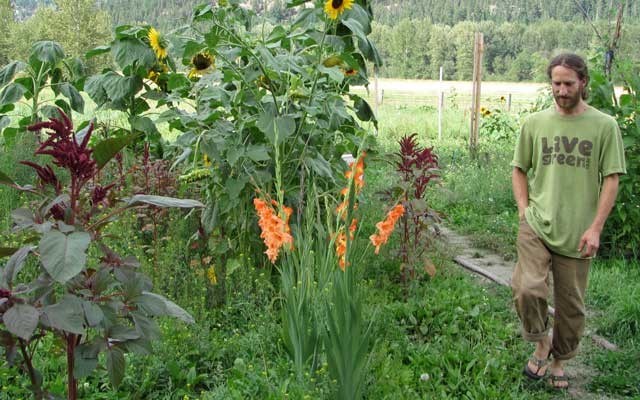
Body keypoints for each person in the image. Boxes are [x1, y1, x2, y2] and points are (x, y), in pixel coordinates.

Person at [510, 53, 626, 389]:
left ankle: (560, 360)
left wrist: (596, 227)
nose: (561, 91)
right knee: (527, 287)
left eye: (568, 84)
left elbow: (612, 179)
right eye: (556, 83)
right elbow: (519, 169)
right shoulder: (535, 123)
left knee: (571, 305)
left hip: (578, 230)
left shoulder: (604, 125)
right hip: (537, 223)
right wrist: (523, 209)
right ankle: (540, 341)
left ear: (583, 83)